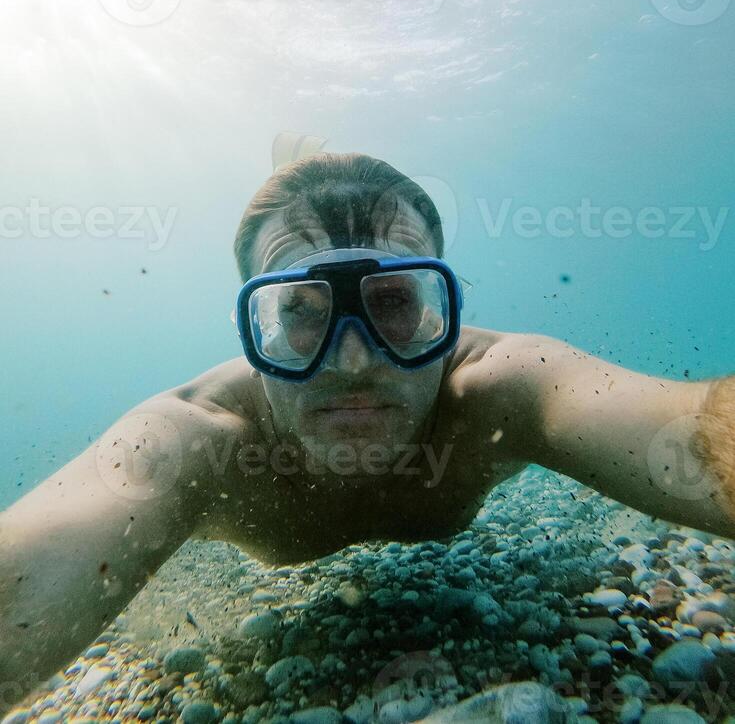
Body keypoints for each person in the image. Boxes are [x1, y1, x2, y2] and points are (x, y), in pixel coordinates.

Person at [1, 151, 733, 707]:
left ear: (438, 313)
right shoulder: (195, 436)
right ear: (259, 328)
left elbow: (697, 436)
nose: (353, 361)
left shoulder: (501, 384)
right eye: (303, 313)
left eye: (390, 303)